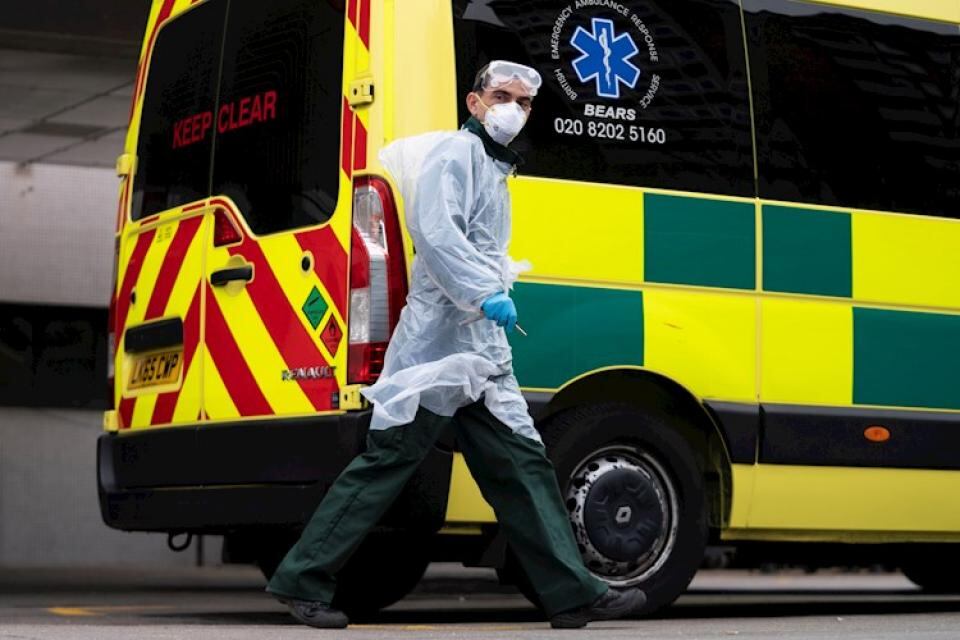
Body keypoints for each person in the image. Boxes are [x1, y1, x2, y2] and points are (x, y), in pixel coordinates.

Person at [266, 60, 646, 629]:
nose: (513, 110)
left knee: (522, 464)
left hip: (477, 348)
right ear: (474, 102)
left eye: (524, 102)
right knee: (388, 462)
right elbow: (436, 233)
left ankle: (573, 594)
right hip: (438, 346)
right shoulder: (457, 155)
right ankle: (302, 579)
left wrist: (489, 294)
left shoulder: (493, 168)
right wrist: (484, 292)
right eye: (502, 96)